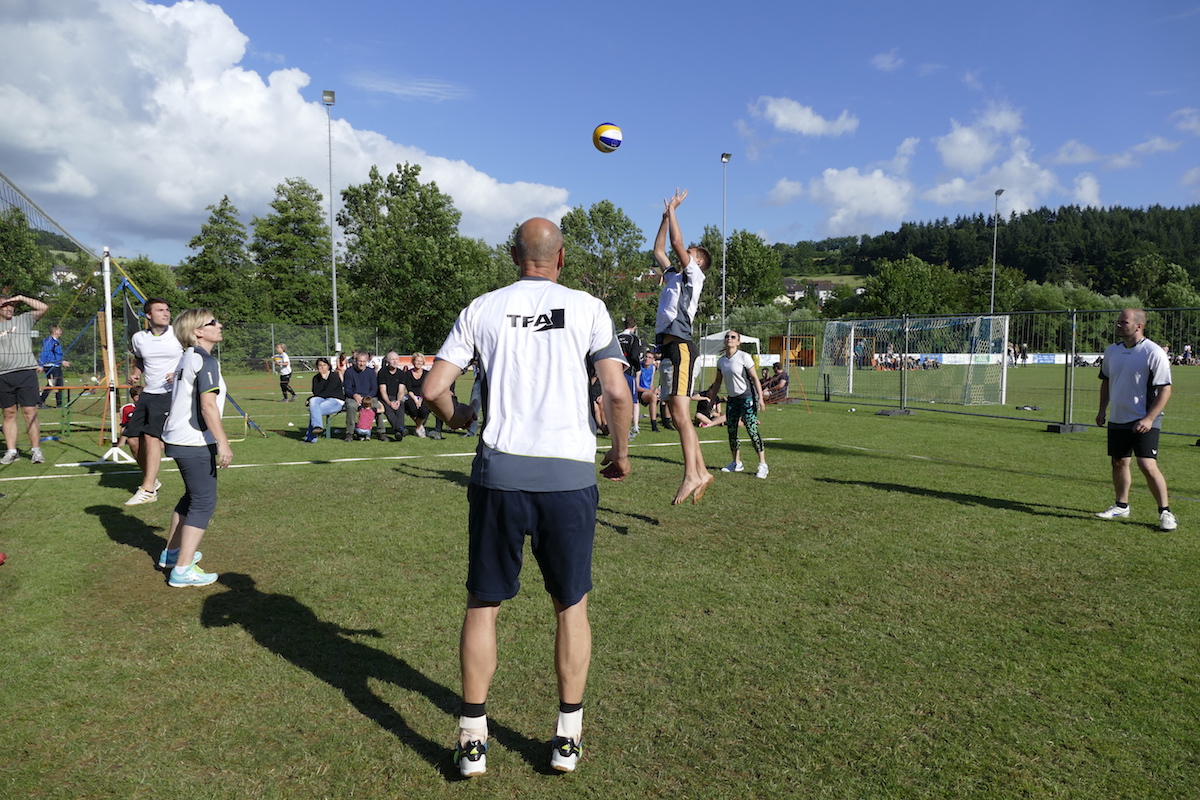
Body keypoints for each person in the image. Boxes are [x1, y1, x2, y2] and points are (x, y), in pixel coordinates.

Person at [422, 217, 631, 777]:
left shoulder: (482, 308)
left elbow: (433, 388)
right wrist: (620, 454)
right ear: (560, 259)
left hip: (500, 475)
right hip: (569, 477)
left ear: (514, 257)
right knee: (571, 604)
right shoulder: (588, 307)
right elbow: (616, 391)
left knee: (483, 603)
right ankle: (567, 738)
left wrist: (459, 416)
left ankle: (472, 741)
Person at [160, 308, 232, 587]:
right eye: (212, 322)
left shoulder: (188, 356)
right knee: (204, 501)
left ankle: (172, 554)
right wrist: (223, 442)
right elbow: (207, 405)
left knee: (192, 497)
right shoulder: (204, 359)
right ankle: (182, 570)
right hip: (193, 441)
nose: (219, 324)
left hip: (179, 438)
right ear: (198, 332)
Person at [653, 188, 713, 505]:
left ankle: (692, 474)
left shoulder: (694, 275)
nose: (684, 253)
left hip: (682, 348)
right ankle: (701, 472)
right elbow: (659, 248)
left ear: (698, 261)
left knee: (681, 414)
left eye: (690, 252)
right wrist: (665, 217)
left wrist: (675, 210)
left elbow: (676, 244)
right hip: (670, 348)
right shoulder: (674, 274)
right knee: (678, 416)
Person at [1094, 308, 1176, 531]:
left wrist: (1149, 418)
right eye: (1118, 321)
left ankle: (1165, 512)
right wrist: (1102, 410)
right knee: (1119, 462)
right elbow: (1106, 382)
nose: (1118, 325)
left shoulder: (1153, 352)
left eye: (1124, 322)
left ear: (1138, 326)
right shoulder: (1112, 351)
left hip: (1145, 418)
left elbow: (1165, 390)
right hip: (1118, 418)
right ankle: (1121, 506)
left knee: (1147, 465)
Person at [124, 298, 183, 505]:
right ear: (148, 315)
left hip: (170, 393)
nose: (166, 313)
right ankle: (152, 480)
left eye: (167, 310)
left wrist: (178, 373)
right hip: (148, 393)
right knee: (132, 440)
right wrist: (136, 373)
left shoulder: (178, 334)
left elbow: (193, 357)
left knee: (151, 437)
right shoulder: (139, 338)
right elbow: (140, 359)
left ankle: (148, 489)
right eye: (160, 310)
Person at [708, 329, 768, 479]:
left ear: (738, 341)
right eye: (727, 336)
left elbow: (755, 378)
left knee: (751, 430)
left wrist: (760, 398)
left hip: (747, 397)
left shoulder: (744, 357)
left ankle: (762, 464)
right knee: (732, 431)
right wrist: (712, 399)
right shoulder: (721, 361)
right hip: (732, 399)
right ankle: (736, 463)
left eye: (733, 337)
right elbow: (718, 382)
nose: (729, 339)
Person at [0, 292, 49, 465]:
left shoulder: (23, 320)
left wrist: (21, 298)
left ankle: (36, 450)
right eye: (5, 305)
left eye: (11, 305)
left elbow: (43, 307)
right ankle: (11, 451)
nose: (9, 308)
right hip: (3, 375)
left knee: (30, 412)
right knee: (8, 413)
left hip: (26, 372)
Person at [341, 351, 384, 442]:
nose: (361, 363)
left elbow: (374, 388)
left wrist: (367, 398)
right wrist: (354, 395)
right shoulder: (349, 372)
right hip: (353, 397)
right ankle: (349, 433)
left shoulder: (371, 372)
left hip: (369, 397)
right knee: (351, 406)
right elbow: (347, 389)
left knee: (377, 405)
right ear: (355, 360)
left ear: (367, 361)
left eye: (364, 361)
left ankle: (381, 432)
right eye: (360, 361)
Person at [302, 358, 344, 443]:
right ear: (317, 367)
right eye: (320, 365)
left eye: (324, 365)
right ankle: (317, 427)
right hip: (323, 399)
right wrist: (322, 379)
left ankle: (311, 438)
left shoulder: (334, 376)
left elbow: (328, 392)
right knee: (314, 401)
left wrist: (309, 399)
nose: (322, 367)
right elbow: (316, 392)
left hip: (336, 401)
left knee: (314, 410)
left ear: (328, 366)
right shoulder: (316, 378)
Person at [616, 317, 643, 439]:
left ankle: (617, 426)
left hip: (615, 372)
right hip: (628, 372)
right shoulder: (633, 339)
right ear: (635, 327)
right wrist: (637, 368)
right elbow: (634, 356)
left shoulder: (617, 337)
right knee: (632, 401)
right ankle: (631, 427)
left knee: (617, 401)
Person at [401, 352, 438, 439]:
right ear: (413, 362)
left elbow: (427, 388)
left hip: (424, 396)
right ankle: (421, 427)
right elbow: (409, 389)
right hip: (411, 396)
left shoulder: (427, 374)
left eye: (420, 361)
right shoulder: (407, 374)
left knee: (424, 409)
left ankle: (418, 428)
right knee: (412, 408)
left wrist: (421, 399)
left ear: (423, 363)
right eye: (417, 361)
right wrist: (415, 400)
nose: (418, 363)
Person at [376, 351, 408, 441]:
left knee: (401, 406)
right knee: (388, 409)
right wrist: (389, 402)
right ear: (388, 361)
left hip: (396, 397)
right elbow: (382, 390)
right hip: (384, 397)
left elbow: (401, 390)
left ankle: (398, 431)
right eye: (392, 359)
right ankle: (400, 428)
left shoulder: (401, 374)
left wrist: (398, 401)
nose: (395, 361)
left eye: (396, 359)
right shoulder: (382, 372)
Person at [38, 325, 70, 409]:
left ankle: (59, 404)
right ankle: (40, 402)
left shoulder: (57, 341)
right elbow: (44, 353)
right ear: (54, 331)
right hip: (50, 366)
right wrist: (41, 365)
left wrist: (62, 361)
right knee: (51, 384)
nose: (61, 332)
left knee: (59, 385)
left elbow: (57, 354)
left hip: (56, 365)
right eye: (59, 330)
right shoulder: (49, 341)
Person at [636, 351, 660, 432]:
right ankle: (654, 424)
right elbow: (637, 387)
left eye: (650, 357)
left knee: (662, 396)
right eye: (646, 357)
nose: (647, 359)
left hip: (647, 391)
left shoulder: (652, 368)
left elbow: (651, 384)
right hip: (639, 392)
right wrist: (650, 391)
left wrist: (655, 390)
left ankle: (666, 420)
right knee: (653, 396)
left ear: (653, 360)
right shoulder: (639, 367)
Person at [117, 386, 141, 451]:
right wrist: (121, 443)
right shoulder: (126, 409)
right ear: (132, 398)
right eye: (137, 397)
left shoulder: (151, 407)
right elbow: (124, 425)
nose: (140, 399)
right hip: (134, 433)